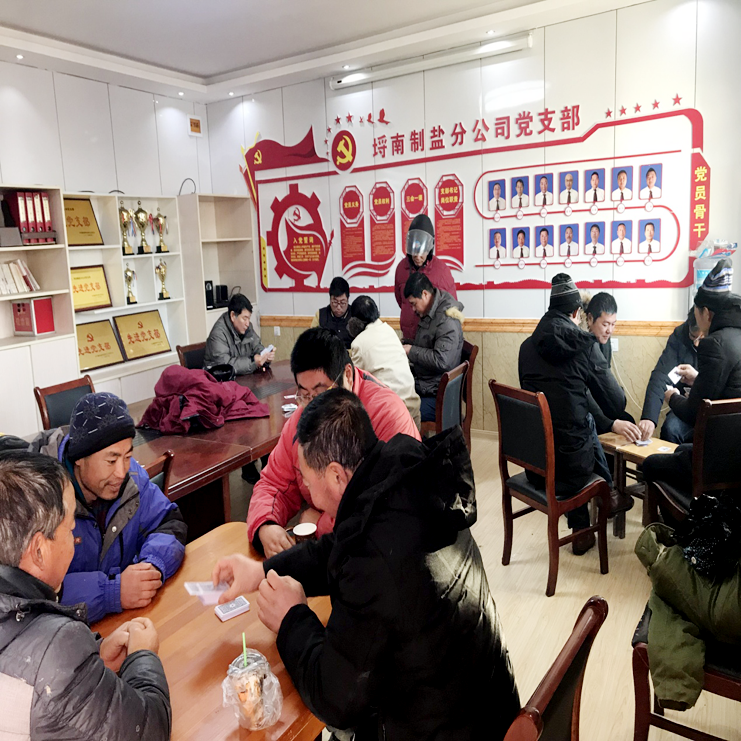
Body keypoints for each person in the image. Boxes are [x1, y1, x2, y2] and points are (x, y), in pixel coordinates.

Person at [214, 390, 520, 741]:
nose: (306, 489)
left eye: (307, 480)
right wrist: (261, 570)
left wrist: (291, 618)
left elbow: (337, 700)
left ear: (336, 476)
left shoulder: (373, 560)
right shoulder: (404, 476)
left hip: (447, 729)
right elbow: (336, 549)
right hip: (489, 703)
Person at [0, 450, 171, 740]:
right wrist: (142, 656)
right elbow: (149, 730)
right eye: (69, 529)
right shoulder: (56, 649)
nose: (75, 539)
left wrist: (92, 658)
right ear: (39, 551)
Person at [247, 328, 420, 557]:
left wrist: (321, 524)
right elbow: (274, 483)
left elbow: (392, 506)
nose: (312, 405)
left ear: (348, 375)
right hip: (327, 553)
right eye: (304, 394)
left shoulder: (386, 415)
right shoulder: (303, 417)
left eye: (320, 393)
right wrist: (266, 525)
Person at [28, 392, 186, 623]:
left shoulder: (132, 478)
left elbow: (169, 523)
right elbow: (32, 594)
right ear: (79, 458)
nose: (121, 472)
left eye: (127, 456)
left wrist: (152, 566)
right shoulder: (38, 500)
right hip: (61, 636)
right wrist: (111, 592)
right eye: (111, 461)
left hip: (122, 623)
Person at [519, 275, 631, 554]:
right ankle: (607, 493)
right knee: (582, 426)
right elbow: (617, 403)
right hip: (573, 468)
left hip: (535, 465)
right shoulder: (586, 347)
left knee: (573, 421)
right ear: (577, 313)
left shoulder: (525, 349)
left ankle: (583, 526)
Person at [643, 259, 741, 499]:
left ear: (706, 313)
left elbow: (694, 412)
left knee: (650, 465)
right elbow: (660, 375)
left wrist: (672, 396)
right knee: (676, 441)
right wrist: (648, 417)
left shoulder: (715, 344)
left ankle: (683, 517)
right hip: (734, 453)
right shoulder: (734, 336)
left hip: (718, 460)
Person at [348, 295, 421, 429]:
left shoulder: (359, 343)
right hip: (413, 409)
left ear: (354, 322)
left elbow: (352, 384)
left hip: (392, 418)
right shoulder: (389, 330)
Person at [403, 272, 465, 423]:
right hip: (428, 384)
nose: (413, 309)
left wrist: (411, 350)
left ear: (425, 294)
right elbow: (427, 343)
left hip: (439, 396)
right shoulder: (431, 311)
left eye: (413, 304)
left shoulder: (446, 319)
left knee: (399, 413)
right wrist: (405, 343)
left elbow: (442, 360)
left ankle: (415, 439)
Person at [638, 309, 701, 444]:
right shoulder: (680, 335)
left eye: (701, 338)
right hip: (684, 405)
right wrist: (649, 418)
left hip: (713, 409)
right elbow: (661, 375)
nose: (696, 344)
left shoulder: (721, 339)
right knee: (670, 429)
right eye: (693, 337)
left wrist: (697, 379)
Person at [585, 293, 641, 442]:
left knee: (629, 421)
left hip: (601, 403)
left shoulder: (604, 340)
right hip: (585, 408)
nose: (609, 330)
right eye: (605, 324)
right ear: (589, 319)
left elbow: (605, 380)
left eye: (613, 324)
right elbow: (582, 392)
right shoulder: (580, 343)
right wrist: (609, 423)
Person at [394, 214, 457, 340]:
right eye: (414, 252)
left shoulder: (442, 271)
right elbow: (401, 300)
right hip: (408, 338)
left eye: (422, 252)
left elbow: (451, 308)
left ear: (429, 247)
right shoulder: (401, 269)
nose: (417, 257)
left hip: (430, 341)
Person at [204, 292, 274, 374]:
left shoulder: (247, 327)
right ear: (233, 316)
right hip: (218, 379)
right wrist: (253, 362)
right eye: (244, 318)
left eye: (249, 318)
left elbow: (256, 346)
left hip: (241, 377)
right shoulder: (218, 334)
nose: (247, 323)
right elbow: (225, 366)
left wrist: (265, 357)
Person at [311, 277, 352, 349]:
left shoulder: (355, 315)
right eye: (335, 302)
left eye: (342, 303)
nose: (338, 307)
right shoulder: (320, 315)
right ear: (330, 299)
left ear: (348, 299)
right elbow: (311, 341)